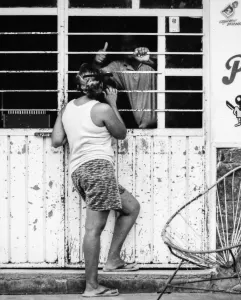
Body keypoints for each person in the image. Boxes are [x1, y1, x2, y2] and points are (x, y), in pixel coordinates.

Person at [51, 63, 140, 297]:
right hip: (98, 170)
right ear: (101, 86)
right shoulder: (102, 109)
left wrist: (65, 118)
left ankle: (113, 259)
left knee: (130, 207)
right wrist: (113, 104)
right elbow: (121, 134)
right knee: (93, 229)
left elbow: (57, 140)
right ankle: (91, 286)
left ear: (79, 85)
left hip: (79, 172)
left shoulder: (67, 108)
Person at [93, 37, 157, 129]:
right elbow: (97, 77)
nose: (128, 47)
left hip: (163, 126)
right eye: (124, 44)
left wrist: (148, 60)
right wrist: (97, 62)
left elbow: (169, 64)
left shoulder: (151, 62)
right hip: (138, 127)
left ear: (138, 45)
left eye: (132, 43)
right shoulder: (117, 66)